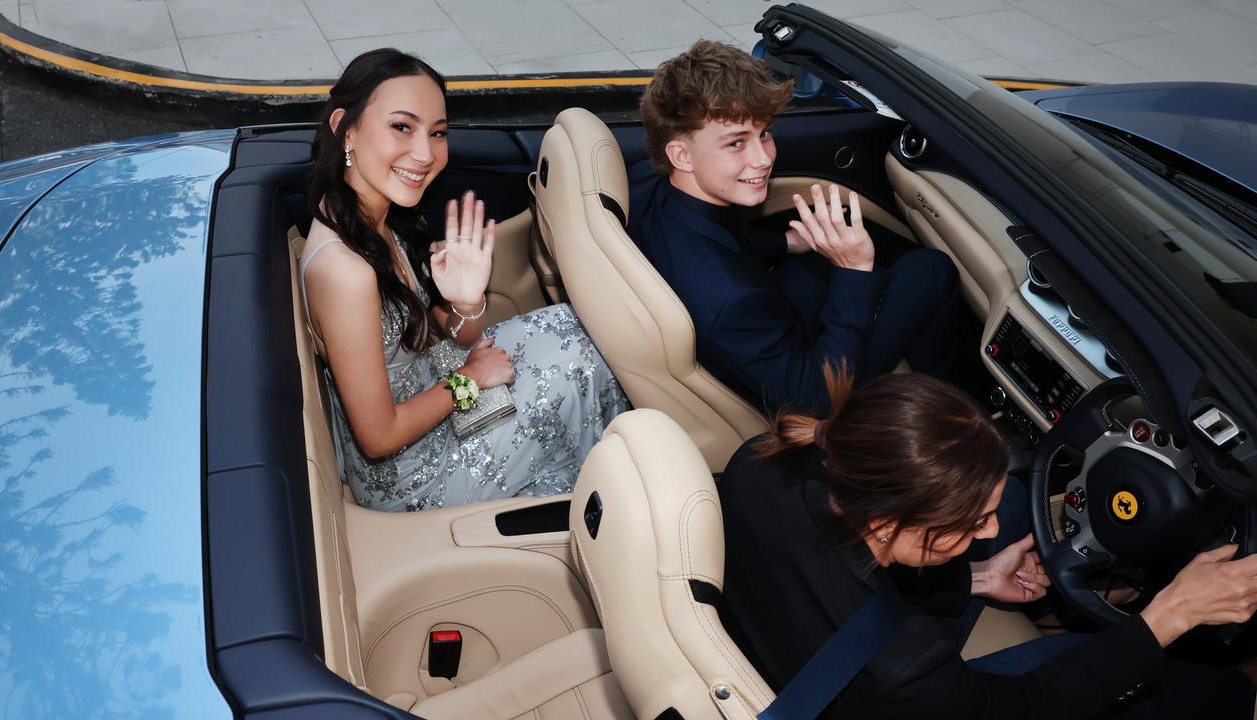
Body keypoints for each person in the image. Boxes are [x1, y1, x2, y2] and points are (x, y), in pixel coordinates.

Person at [718, 366, 1257, 718]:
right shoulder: (911, 665)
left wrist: (978, 577)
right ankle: (1241, 690)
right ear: (886, 525)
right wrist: (1174, 612)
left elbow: (855, 594)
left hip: (779, 628)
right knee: (1137, 682)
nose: (991, 530)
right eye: (971, 522)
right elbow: (1032, 704)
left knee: (1020, 501)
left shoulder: (759, 463)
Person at [301, 49, 629, 512]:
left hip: (429, 389)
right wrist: (468, 379)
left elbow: (453, 331)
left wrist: (467, 302)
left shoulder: (378, 221)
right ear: (345, 129)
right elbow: (378, 437)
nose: (425, 153)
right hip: (411, 471)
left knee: (579, 325)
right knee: (582, 368)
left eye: (437, 133)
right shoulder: (345, 272)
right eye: (402, 127)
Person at [627, 40, 960, 414]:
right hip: (814, 390)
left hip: (760, 322)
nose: (763, 158)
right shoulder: (731, 302)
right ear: (682, 155)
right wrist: (853, 271)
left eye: (764, 133)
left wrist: (786, 242)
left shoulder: (645, 184)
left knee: (828, 248)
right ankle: (945, 412)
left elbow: (722, 244)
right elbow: (817, 401)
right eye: (736, 143)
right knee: (931, 271)